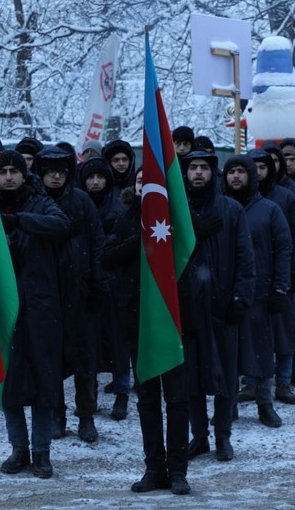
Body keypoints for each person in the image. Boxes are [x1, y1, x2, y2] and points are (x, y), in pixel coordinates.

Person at [102, 167, 191, 495]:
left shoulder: (177, 220)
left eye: (148, 180)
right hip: (137, 322)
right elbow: (107, 258)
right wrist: (138, 240)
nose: (143, 185)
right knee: (148, 400)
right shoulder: (124, 219)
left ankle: (178, 470)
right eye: (139, 180)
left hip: (172, 325)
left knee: (178, 400)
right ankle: (154, 468)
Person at [0, 150, 70, 479]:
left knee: (42, 379)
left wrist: (21, 221)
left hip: (39, 306)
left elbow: (60, 225)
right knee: (7, 379)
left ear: (25, 175)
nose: (8, 177)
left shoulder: (40, 202)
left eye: (14, 171)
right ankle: (18, 448)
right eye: (2, 171)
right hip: (2, 307)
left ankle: (41, 452)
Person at [180, 151, 255, 462]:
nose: (198, 173)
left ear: (214, 173)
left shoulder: (231, 210)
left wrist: (240, 298)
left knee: (224, 374)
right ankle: (199, 435)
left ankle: (223, 435)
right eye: (193, 168)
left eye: (204, 168)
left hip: (222, 305)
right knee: (191, 378)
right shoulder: (177, 210)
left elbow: (245, 259)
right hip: (187, 307)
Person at [35, 147, 109, 443]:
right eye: (50, 172)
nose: (55, 177)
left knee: (84, 357)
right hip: (46, 292)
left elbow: (97, 242)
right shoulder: (36, 203)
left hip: (80, 290)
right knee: (50, 357)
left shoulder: (81, 202)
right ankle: (56, 413)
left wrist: (97, 283)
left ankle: (86, 415)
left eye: (61, 172)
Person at [222, 156, 292, 428]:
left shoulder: (270, 210)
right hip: (227, 294)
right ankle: (227, 405)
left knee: (261, 351)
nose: (236, 177)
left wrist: (280, 288)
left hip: (260, 293)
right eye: (231, 171)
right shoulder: (220, 208)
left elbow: (283, 250)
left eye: (241, 171)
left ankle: (265, 403)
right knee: (228, 353)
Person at [247, 148, 295, 404]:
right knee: (251, 333)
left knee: (283, 333)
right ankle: (251, 382)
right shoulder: (238, 198)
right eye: (255, 167)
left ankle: (283, 382)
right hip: (251, 277)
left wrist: (294, 271)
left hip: (281, 275)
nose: (259, 172)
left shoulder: (287, 196)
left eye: (264, 167)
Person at [77, 157, 130, 421]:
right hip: (86, 284)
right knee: (90, 345)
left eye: (100, 177)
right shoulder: (77, 204)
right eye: (90, 177)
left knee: (118, 343)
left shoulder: (119, 205)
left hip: (114, 284)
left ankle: (122, 394)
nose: (95, 182)